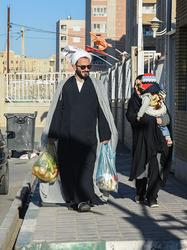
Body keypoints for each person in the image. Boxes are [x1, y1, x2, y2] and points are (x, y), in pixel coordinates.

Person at [41, 46, 118, 212]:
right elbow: (57, 111)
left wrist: (105, 134)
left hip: (89, 137)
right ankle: (73, 200)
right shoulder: (65, 85)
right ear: (74, 66)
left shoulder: (96, 85)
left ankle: (84, 200)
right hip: (67, 138)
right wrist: (53, 134)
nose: (86, 70)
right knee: (69, 171)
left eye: (88, 66)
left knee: (86, 170)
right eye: (82, 67)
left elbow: (102, 110)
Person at [126, 74, 173, 208]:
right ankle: (140, 193)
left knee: (156, 169)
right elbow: (131, 117)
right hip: (142, 141)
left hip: (158, 141)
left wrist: (160, 120)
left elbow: (167, 118)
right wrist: (153, 120)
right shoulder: (134, 101)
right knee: (142, 170)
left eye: (139, 84)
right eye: (135, 84)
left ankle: (152, 197)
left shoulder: (157, 99)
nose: (136, 87)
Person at [136, 73, 172, 147]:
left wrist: (139, 115)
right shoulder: (157, 95)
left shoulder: (147, 97)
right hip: (161, 112)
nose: (137, 87)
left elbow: (144, 107)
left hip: (152, 138)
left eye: (139, 84)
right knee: (163, 128)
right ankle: (168, 138)